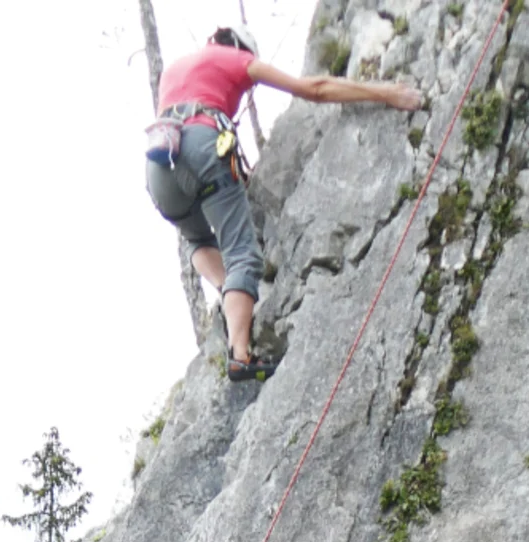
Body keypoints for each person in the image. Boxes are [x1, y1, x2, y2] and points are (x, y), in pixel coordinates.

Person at [147, 23, 423, 381]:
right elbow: (315, 89)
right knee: (243, 254)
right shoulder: (238, 60)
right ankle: (240, 355)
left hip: (159, 164)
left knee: (197, 240)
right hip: (202, 146)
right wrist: (386, 93)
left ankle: (229, 291)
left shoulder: (174, 70)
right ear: (241, 48)